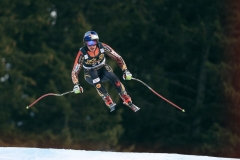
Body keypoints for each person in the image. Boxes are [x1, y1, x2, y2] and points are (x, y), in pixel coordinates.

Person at [71, 31, 140, 112]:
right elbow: (75, 70)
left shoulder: (102, 47)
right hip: (90, 72)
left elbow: (118, 57)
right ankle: (107, 99)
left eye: (93, 42)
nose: (92, 46)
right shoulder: (82, 52)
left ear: (97, 41)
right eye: (89, 43)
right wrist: (76, 84)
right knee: (96, 79)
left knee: (114, 78)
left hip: (103, 68)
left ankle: (126, 98)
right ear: (85, 43)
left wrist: (125, 70)